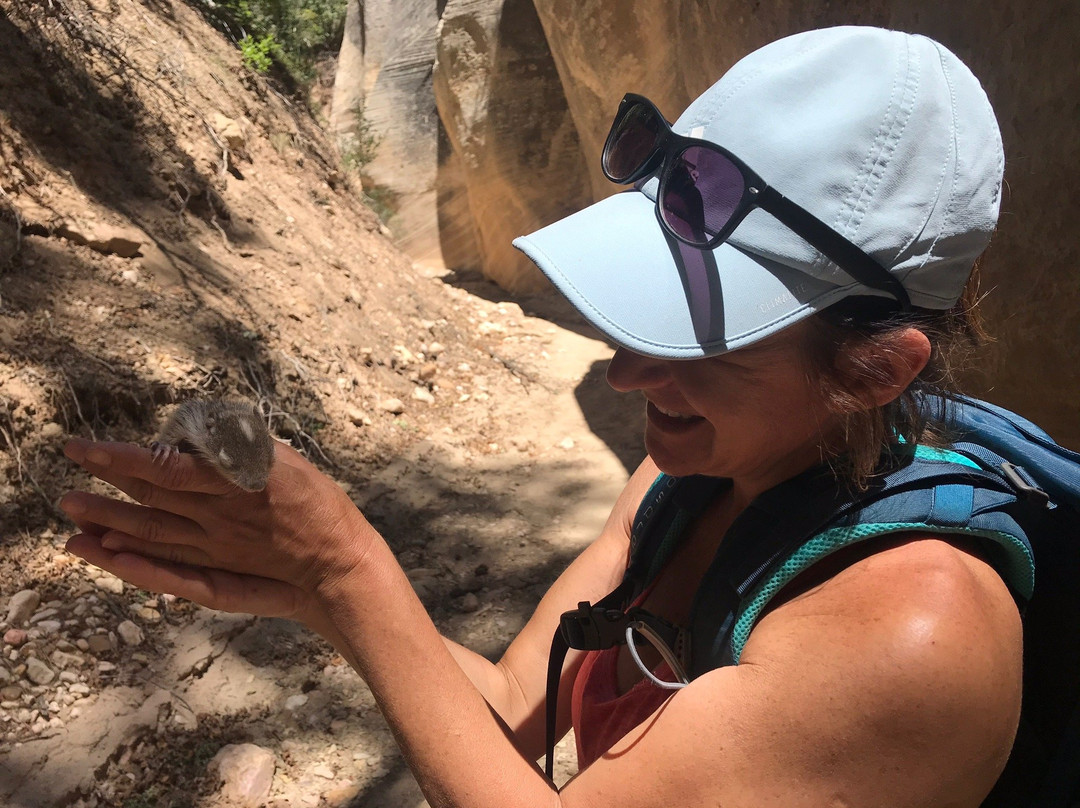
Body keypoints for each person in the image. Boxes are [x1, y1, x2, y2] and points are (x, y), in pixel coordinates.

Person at [60, 26, 1027, 807]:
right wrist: (309, 586)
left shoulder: (914, 634)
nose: (625, 370)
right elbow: (516, 703)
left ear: (873, 371)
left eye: (698, 339)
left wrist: (343, 567)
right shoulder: (686, 482)